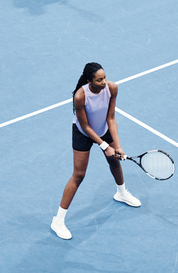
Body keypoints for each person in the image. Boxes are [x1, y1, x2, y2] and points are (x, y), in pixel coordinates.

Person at [51, 62, 141, 240]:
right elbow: (85, 126)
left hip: (103, 129)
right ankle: (58, 221)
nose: (104, 82)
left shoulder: (112, 88)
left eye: (104, 77)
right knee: (79, 175)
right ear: (89, 80)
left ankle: (121, 193)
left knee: (114, 160)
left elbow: (111, 117)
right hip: (83, 133)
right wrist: (104, 145)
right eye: (99, 80)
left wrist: (117, 145)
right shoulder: (80, 96)